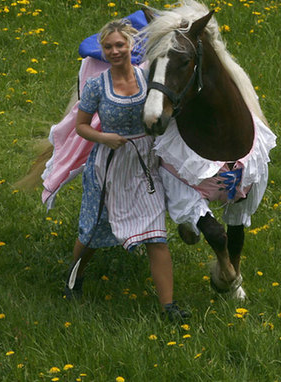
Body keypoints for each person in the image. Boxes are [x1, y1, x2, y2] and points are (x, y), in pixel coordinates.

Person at [65, 19, 190, 321]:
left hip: (144, 164)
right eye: (108, 46)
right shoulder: (97, 85)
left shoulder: (148, 78)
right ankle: (74, 278)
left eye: (120, 45)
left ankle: (168, 308)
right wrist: (103, 137)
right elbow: (81, 126)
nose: (114, 51)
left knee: (156, 235)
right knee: (93, 229)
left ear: (131, 46)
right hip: (108, 166)